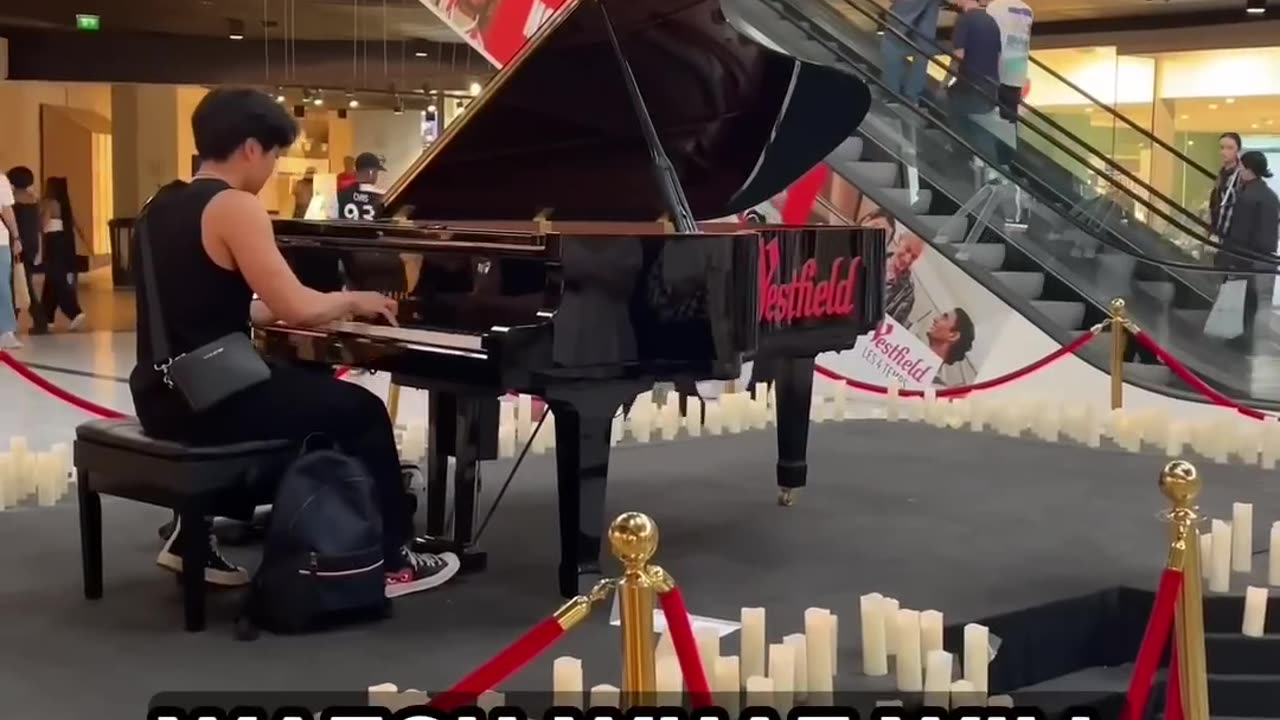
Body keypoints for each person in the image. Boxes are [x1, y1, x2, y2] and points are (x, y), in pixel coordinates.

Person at [129, 87, 458, 596]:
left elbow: (215, 307)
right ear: (251, 148)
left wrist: (302, 311)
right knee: (362, 412)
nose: (274, 168)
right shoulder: (235, 206)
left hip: (162, 394)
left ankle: (191, 535)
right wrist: (353, 302)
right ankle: (395, 560)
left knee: (306, 387)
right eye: (276, 154)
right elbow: (297, 308)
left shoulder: (158, 206)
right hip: (212, 402)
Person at [1217, 150, 1280, 352]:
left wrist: (1230, 257)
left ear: (1249, 170)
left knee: (1240, 303)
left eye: (1242, 167)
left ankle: (1237, 345)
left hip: (1246, 258)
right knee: (1258, 303)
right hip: (1266, 258)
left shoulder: (1247, 197)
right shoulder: (1270, 195)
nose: (1240, 171)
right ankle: (1253, 343)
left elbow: (1240, 232)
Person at [944, 0, 1002, 165]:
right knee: (982, 130)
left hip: (969, 84)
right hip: (990, 84)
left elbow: (958, 56)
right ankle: (993, 173)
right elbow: (998, 57)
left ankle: (961, 163)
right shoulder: (992, 21)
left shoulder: (964, 20)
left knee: (959, 120)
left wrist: (945, 81)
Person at [39, 177, 87, 330]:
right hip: (64, 243)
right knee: (52, 280)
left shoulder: (49, 203)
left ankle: (74, 312)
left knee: (56, 279)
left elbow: (44, 223)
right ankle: (47, 317)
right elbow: (77, 227)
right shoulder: (65, 205)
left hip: (52, 242)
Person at [6, 167, 47, 335]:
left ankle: (36, 318)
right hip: (30, 245)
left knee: (16, 283)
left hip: (16, 245)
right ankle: (31, 319)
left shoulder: (13, 201)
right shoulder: (33, 200)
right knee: (22, 280)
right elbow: (39, 226)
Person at [879, 0, 943, 105]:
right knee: (921, 54)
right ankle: (911, 96)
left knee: (891, 46)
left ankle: (892, 94)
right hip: (924, 25)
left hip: (906, 17)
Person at [986, 0, 1032, 125]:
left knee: (992, 115)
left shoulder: (995, 6)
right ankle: (1009, 142)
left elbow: (989, 34)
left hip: (999, 65)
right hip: (1018, 66)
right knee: (1010, 117)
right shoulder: (1027, 9)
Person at [1210, 132, 1245, 243]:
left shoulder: (1241, 175)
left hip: (1233, 234)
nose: (1224, 152)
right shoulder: (1222, 172)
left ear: (1238, 150)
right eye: (1222, 148)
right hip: (1218, 228)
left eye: (1230, 148)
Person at [0, 173, 21, 349]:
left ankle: (6, 331)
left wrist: (16, 236)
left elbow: (7, 210)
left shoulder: (1, 180)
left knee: (2, 285)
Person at [334, 152, 387, 222]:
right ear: (370, 173)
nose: (376, 176)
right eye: (376, 172)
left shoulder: (340, 195)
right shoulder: (382, 196)